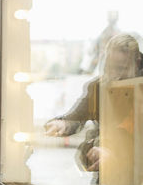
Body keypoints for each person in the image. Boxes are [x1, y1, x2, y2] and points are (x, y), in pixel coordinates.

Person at [45, 33, 142, 171]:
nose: (114, 74)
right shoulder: (98, 87)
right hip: (111, 175)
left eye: (121, 69)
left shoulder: (139, 89)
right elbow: (78, 116)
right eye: (110, 67)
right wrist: (64, 123)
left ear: (137, 63)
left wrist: (113, 152)